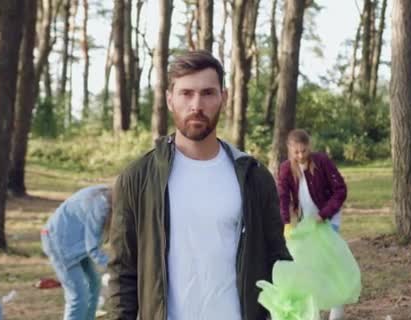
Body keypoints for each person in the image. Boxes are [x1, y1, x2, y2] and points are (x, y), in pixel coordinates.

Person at [105, 50, 291, 320]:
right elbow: (123, 273)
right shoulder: (138, 178)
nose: (196, 105)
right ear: (170, 99)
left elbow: (277, 260)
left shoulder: (254, 177)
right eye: (186, 93)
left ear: (223, 98)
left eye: (207, 93)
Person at [277, 128, 348, 320]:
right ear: (290, 150)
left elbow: (340, 190)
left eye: (304, 151)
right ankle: (313, 313)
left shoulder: (322, 162)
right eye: (296, 152)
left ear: (310, 147)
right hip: (305, 224)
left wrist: (324, 214)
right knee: (308, 269)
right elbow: (282, 196)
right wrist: (285, 222)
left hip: (327, 221)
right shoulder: (285, 168)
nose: (300, 155)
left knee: (329, 266)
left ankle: (336, 311)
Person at [41, 185, 112, 320]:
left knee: (94, 283)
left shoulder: (105, 195)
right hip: (58, 242)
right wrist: (114, 266)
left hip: (75, 243)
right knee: (78, 295)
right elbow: (93, 249)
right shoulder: (101, 207)